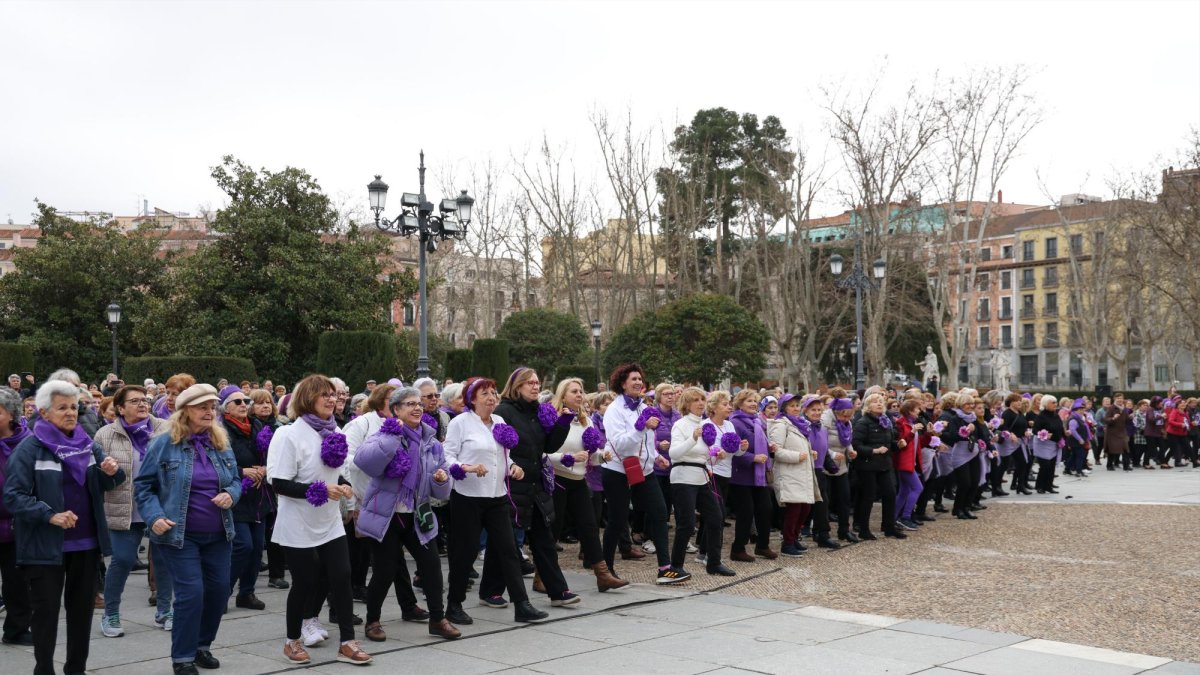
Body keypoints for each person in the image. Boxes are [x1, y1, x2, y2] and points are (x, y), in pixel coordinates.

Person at [3, 380, 124, 675]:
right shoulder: (30, 448)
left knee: (81, 615)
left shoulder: (87, 443)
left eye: (74, 407)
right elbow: (13, 496)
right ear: (44, 413)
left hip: (86, 544)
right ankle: (44, 669)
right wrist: (49, 515)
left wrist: (112, 472)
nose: (70, 413)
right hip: (45, 548)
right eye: (62, 408)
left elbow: (107, 484)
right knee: (44, 616)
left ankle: (76, 670)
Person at [134, 384, 242, 675]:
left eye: (212, 406)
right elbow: (143, 486)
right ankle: (182, 657)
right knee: (192, 593)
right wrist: (154, 516)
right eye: (201, 407)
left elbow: (235, 479)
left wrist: (232, 494)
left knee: (219, 592)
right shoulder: (164, 443)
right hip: (179, 535)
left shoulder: (220, 441)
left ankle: (202, 646)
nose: (209, 412)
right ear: (184, 411)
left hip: (220, 534)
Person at [265, 375, 372, 665]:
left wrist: (344, 483)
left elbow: (332, 470)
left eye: (333, 394)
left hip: (329, 521)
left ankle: (348, 642)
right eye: (323, 394)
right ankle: (292, 641)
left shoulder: (333, 429)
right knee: (305, 581)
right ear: (306, 399)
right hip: (297, 522)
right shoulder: (288, 434)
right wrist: (324, 489)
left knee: (341, 576)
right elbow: (279, 483)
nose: (331, 399)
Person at [354, 387, 461, 641]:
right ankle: (372, 621)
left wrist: (442, 478)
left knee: (432, 567)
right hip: (387, 515)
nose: (417, 408)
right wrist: (393, 436)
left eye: (419, 404)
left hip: (418, 514)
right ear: (396, 410)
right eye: (410, 404)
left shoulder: (431, 442)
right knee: (384, 571)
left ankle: (438, 619)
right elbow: (364, 462)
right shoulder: (383, 435)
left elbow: (442, 491)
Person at [442, 377, 548, 625]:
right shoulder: (460, 423)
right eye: (485, 394)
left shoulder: (499, 422)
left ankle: (522, 605)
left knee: (509, 550)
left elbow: (503, 456)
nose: (491, 397)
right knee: (464, 553)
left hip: (497, 496)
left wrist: (514, 467)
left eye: (493, 392)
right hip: (468, 498)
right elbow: (446, 456)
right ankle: (453, 605)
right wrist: (465, 467)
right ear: (472, 399)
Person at [491, 368, 578, 608]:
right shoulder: (503, 412)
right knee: (505, 542)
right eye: (530, 383)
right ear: (517, 386)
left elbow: (547, 446)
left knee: (543, 539)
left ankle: (558, 591)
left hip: (535, 484)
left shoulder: (538, 411)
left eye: (537, 382)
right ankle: (491, 589)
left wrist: (563, 423)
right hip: (513, 484)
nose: (535, 386)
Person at [94, 385, 173, 638]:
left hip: (159, 507)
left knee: (163, 561)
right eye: (135, 401)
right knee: (123, 560)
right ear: (120, 407)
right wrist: (105, 472)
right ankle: (111, 613)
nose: (142, 405)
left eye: (145, 400)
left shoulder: (165, 428)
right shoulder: (105, 435)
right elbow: (95, 480)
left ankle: (164, 611)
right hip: (122, 509)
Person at [601, 364, 687, 585]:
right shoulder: (614, 410)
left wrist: (655, 454)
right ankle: (605, 571)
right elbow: (619, 444)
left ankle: (665, 569)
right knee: (617, 520)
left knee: (660, 513)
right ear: (622, 383)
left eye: (640, 379)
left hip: (644, 470)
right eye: (633, 379)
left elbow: (647, 441)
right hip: (618, 470)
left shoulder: (642, 406)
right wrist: (641, 427)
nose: (639, 382)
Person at [546, 378, 625, 591]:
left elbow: (591, 455)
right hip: (558, 479)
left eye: (581, 391)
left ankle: (603, 574)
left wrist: (603, 456)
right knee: (553, 529)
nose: (580, 395)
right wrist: (567, 458)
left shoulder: (585, 420)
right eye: (574, 391)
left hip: (579, 480)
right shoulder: (553, 418)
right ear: (562, 395)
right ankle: (541, 576)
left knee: (589, 527)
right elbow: (543, 453)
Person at [218, 385, 273, 612]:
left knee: (257, 546)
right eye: (237, 401)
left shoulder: (257, 425)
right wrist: (243, 471)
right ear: (225, 408)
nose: (244, 405)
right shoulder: (220, 430)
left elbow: (270, 452)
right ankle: (222, 593)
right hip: (236, 494)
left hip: (259, 495)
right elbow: (218, 462)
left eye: (246, 401)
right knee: (243, 545)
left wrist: (264, 468)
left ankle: (247, 593)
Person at [669, 387, 733, 576]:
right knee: (687, 524)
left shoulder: (706, 427)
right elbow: (673, 454)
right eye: (695, 400)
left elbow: (705, 457)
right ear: (686, 404)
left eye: (702, 399)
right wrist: (693, 438)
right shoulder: (680, 424)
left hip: (701, 476)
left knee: (716, 518)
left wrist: (718, 456)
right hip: (682, 476)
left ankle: (713, 562)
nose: (700, 403)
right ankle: (676, 566)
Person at [0, 388, 33, 647]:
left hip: (16, 523)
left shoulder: (28, 442)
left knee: (17, 581)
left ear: (11, 414)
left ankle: (17, 629)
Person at [769, 394, 821, 558]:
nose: (796, 408)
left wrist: (808, 452)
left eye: (797, 405)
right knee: (794, 510)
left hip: (802, 472)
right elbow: (776, 451)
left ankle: (794, 538)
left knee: (805, 508)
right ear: (784, 408)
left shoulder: (799, 424)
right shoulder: (780, 425)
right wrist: (797, 456)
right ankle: (787, 543)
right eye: (792, 405)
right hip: (789, 473)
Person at [729, 390, 775, 561]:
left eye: (755, 401)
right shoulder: (735, 422)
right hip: (741, 475)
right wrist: (752, 457)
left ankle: (762, 546)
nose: (753, 404)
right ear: (740, 404)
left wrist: (770, 447)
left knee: (765, 508)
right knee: (746, 512)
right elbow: (732, 449)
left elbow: (760, 443)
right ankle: (737, 549)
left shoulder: (758, 421)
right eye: (749, 401)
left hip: (759, 475)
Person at [852, 393, 904, 539]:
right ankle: (864, 529)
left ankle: (889, 527)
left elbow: (888, 443)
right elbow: (856, 444)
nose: (880, 404)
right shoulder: (863, 422)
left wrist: (897, 445)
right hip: (868, 465)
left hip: (884, 464)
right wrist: (873, 451)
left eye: (881, 402)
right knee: (868, 497)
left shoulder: (885, 421)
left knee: (890, 494)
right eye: (875, 402)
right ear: (868, 406)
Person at [820, 394, 857, 542]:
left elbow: (847, 439)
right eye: (844, 417)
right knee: (825, 500)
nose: (846, 420)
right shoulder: (825, 421)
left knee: (844, 498)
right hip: (826, 464)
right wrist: (833, 454)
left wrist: (851, 450)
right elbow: (821, 443)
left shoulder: (847, 422)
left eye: (849, 417)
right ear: (836, 412)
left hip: (841, 465)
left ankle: (844, 530)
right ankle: (823, 532)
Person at [1031, 395, 1064, 494]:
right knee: (1045, 466)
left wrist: (1064, 434)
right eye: (1053, 402)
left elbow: (1060, 427)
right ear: (1045, 404)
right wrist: (1044, 434)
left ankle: (1048, 486)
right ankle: (1040, 486)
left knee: (1051, 466)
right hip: (1043, 445)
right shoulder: (1041, 416)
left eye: (1055, 402)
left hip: (1054, 444)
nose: (1055, 404)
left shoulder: (1056, 415)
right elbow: (1035, 430)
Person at [1104, 394, 1132, 471]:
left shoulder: (1124, 409)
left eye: (1121, 398)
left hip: (1122, 432)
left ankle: (1126, 466)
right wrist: (1113, 418)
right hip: (1112, 433)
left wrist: (1130, 417)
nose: (1120, 400)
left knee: (1125, 449)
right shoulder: (1111, 408)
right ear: (1115, 399)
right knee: (1112, 450)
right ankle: (1109, 465)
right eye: (1118, 398)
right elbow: (1106, 420)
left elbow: (1126, 420)